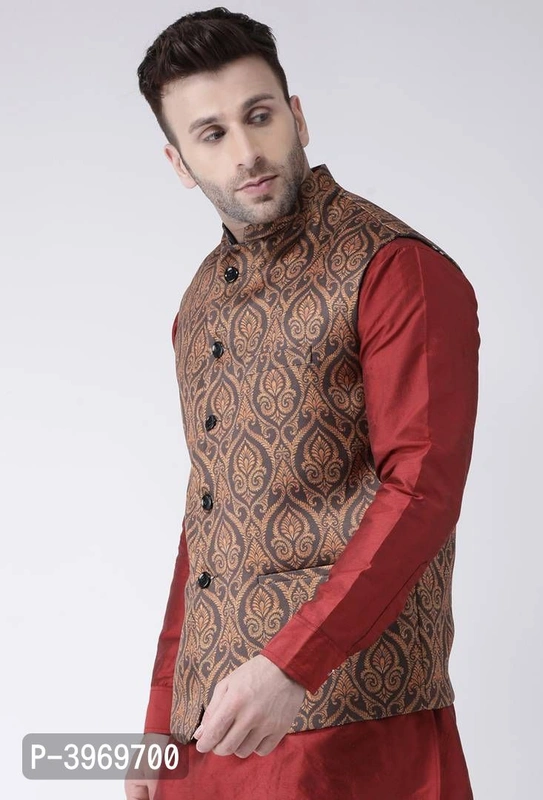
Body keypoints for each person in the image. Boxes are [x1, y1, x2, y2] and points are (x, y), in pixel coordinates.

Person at [126, 7, 480, 799]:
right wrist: (159, 719)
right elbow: (207, 520)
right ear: (179, 162)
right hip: (209, 732)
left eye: (260, 116)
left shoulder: (397, 269)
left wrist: (294, 665)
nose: (246, 152)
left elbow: (423, 489)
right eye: (212, 133)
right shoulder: (197, 309)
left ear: (297, 115)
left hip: (353, 726)